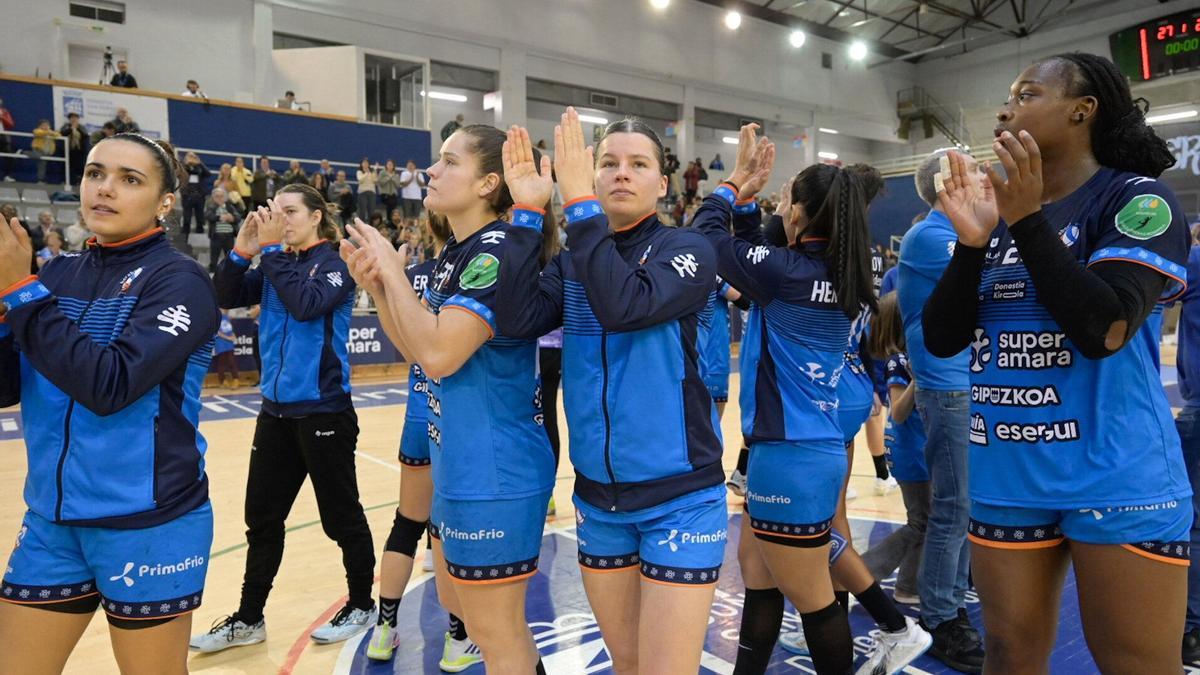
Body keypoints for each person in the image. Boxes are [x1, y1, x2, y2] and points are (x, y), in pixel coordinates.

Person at [923, 52, 1191, 673]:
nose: (1005, 107)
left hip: (1115, 474)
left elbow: (1106, 328)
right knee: (1010, 656)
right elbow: (942, 340)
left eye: (1026, 93)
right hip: (1008, 472)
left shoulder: (1138, 200)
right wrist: (972, 244)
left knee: (1135, 663)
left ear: (1082, 108)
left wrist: (1026, 220)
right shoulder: (1001, 212)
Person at [495, 112, 726, 674]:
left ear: (662, 183)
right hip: (599, 503)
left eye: (638, 164)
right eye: (608, 164)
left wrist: (579, 206)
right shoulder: (574, 260)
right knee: (626, 666)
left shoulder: (687, 249)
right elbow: (513, 318)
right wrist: (528, 213)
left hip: (682, 501)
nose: (622, 174)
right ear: (593, 176)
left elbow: (626, 307)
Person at [697, 125, 928, 675]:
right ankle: (895, 626)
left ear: (801, 212)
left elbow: (707, 241)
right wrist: (766, 214)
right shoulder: (833, 271)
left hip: (790, 448)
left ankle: (896, 627)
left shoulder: (786, 274)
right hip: (815, 441)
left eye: (790, 201)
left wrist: (732, 188)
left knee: (815, 600)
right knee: (759, 570)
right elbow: (759, 254)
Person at [0, 131, 218, 675]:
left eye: (129, 179)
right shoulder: (55, 274)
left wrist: (21, 294)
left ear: (165, 202)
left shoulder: (180, 282)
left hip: (150, 522)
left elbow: (110, 386)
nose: (105, 188)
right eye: (96, 173)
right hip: (52, 522)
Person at [341, 123, 556, 674]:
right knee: (475, 616)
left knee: (496, 632)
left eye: (448, 162)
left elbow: (439, 356)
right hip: (460, 463)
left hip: (496, 470)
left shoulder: (496, 248)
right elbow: (417, 351)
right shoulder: (459, 251)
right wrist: (381, 289)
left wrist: (392, 267)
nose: (431, 172)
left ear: (488, 183)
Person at [192, 183, 377, 653]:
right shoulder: (277, 262)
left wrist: (271, 249)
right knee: (263, 521)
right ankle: (249, 618)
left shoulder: (337, 262)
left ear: (316, 217)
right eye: (276, 212)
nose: (282, 219)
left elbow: (306, 303)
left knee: (342, 518)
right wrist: (242, 249)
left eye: (290, 212)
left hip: (325, 412)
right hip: (274, 414)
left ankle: (361, 603)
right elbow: (225, 293)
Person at [362, 213, 483, 670]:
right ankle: (457, 640)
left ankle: (384, 629)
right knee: (443, 529)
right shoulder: (473, 272)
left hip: (417, 412)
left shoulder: (411, 277)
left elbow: (410, 351)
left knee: (405, 522)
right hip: (448, 413)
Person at [896, 147, 985, 672]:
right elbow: (991, 278)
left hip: (967, 382)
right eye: (972, 169)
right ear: (946, 184)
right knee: (953, 507)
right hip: (947, 385)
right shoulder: (931, 235)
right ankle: (940, 614)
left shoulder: (956, 233)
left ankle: (951, 597)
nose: (982, 174)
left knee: (966, 506)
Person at [862, 291, 929, 606]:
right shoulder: (898, 361)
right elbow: (899, 411)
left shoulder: (907, 357)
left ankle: (909, 585)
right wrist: (920, 380)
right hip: (911, 453)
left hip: (914, 450)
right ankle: (864, 572)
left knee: (924, 521)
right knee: (921, 521)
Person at [204, 187, 242, 273]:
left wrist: (232, 218)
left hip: (229, 235)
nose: (219, 198)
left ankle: (228, 273)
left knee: (229, 256)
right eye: (217, 196)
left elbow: (238, 217)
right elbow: (208, 216)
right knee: (214, 256)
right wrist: (219, 217)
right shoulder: (211, 207)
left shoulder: (230, 207)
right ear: (213, 198)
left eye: (221, 196)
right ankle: (212, 272)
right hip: (216, 235)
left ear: (225, 197)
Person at [180, 152, 212, 236]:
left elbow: (208, 174)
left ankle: (199, 231)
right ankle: (185, 233)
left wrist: (200, 163)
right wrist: (186, 163)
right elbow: (179, 174)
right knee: (187, 215)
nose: (192, 158)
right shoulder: (183, 166)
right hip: (187, 194)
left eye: (194, 156)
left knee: (200, 215)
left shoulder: (199, 166)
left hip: (199, 194)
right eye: (190, 156)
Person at [59, 112, 89, 185]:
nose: (74, 119)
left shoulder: (81, 127)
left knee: (80, 166)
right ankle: (67, 181)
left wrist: (77, 128)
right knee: (68, 167)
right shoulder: (66, 126)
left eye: (75, 118)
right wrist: (71, 129)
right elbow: (62, 133)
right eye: (72, 118)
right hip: (68, 150)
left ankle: (79, 182)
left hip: (79, 151)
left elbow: (85, 135)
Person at [213, 310, 239, 388]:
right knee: (222, 363)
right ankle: (222, 381)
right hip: (220, 343)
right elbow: (217, 332)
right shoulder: (216, 318)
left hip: (229, 343)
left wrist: (234, 337)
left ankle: (236, 380)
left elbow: (230, 330)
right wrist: (228, 338)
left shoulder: (227, 317)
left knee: (232, 362)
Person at [29, 119, 60, 184]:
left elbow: (58, 135)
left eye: (47, 125)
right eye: (43, 125)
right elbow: (37, 133)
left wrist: (50, 132)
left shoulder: (51, 132)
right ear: (39, 126)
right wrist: (48, 132)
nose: (45, 126)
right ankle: (40, 180)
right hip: (38, 150)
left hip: (47, 152)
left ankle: (42, 180)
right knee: (40, 162)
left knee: (44, 165)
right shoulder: (37, 130)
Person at [399, 160, 426, 226]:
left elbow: (422, 184)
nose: (410, 166)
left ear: (414, 166)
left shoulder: (419, 174)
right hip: (407, 197)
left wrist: (417, 178)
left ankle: (416, 229)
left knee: (416, 216)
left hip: (417, 198)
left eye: (411, 165)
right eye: (409, 165)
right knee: (407, 215)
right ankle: (406, 229)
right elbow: (403, 184)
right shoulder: (404, 173)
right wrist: (411, 178)